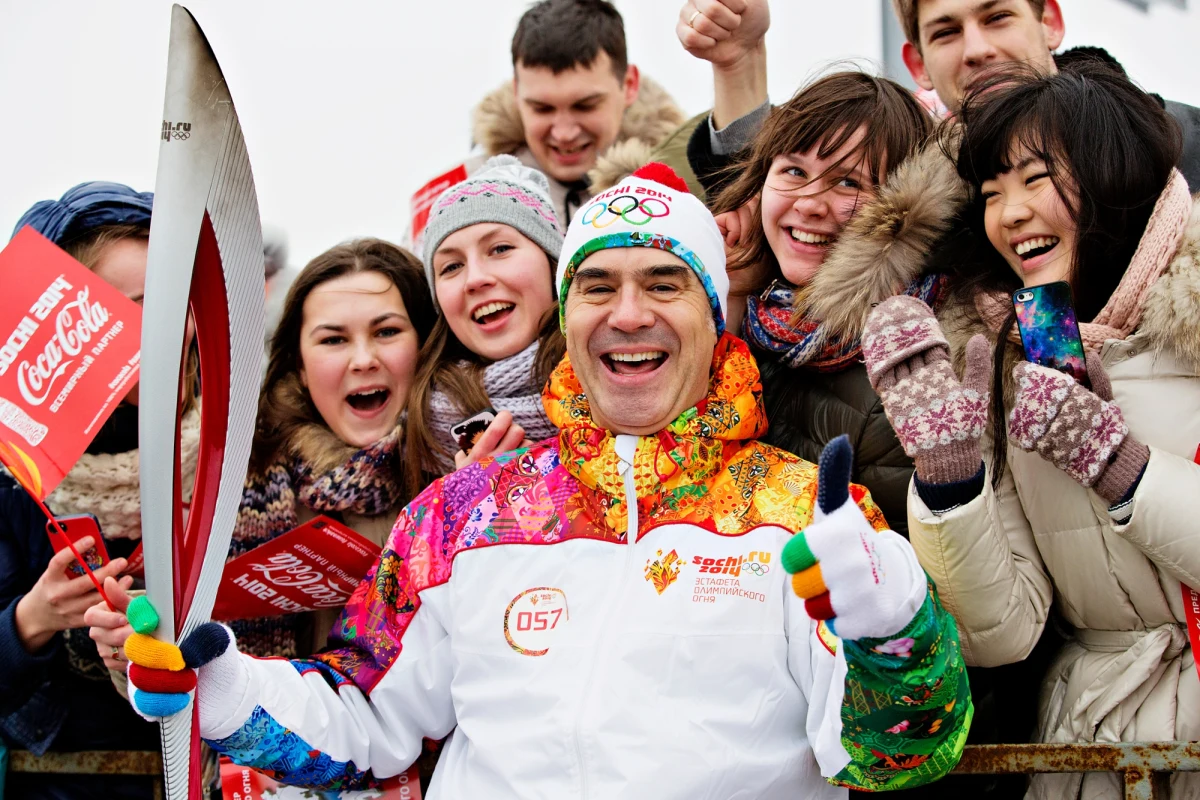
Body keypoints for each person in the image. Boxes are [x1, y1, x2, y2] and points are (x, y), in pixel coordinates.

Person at [109, 163, 972, 798]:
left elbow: (901, 753)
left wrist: (893, 626)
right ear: (567, 317)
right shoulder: (462, 518)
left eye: (663, 283)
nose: (627, 314)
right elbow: (367, 723)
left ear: (713, 319)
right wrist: (227, 689)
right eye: (596, 286)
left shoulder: (801, 518)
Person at [859, 66, 1200, 799]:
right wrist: (950, 480)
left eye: (1036, 178)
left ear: (1116, 174)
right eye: (990, 195)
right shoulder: (1014, 355)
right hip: (1086, 756)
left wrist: (1122, 466)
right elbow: (1000, 632)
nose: (1009, 214)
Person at [0, 182, 175, 800]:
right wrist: (34, 618)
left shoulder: (238, 441)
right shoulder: (11, 468)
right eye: (128, 311)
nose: (163, 333)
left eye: (176, 302)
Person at [706, 71, 936, 536]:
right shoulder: (756, 310)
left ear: (904, 214)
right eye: (793, 171)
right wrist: (727, 290)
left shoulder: (904, 361)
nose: (810, 203)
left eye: (848, 183)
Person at [231, 238, 436, 659]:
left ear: (425, 344)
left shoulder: (477, 469)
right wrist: (141, 654)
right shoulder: (238, 479)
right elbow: (198, 669)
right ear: (301, 368)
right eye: (333, 340)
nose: (363, 359)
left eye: (387, 332)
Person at [409, 0, 685, 245]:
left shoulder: (689, 185)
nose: (564, 133)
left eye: (585, 105)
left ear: (629, 85)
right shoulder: (456, 193)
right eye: (542, 108)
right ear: (516, 92)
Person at [889, 0, 1200, 188]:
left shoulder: (1186, 142)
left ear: (1050, 23)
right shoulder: (918, 238)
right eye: (946, 33)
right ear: (919, 66)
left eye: (997, 17)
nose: (977, 50)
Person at [403, 155, 566, 496]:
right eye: (450, 267)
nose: (475, 279)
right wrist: (472, 500)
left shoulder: (622, 379)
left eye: (500, 249)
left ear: (553, 265)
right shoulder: (418, 431)